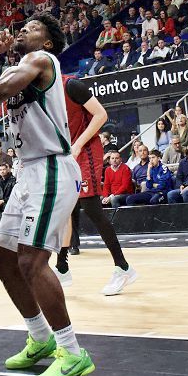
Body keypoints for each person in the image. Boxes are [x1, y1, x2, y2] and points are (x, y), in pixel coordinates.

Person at [0, 16, 95, 376]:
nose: (23, 30)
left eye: (33, 28)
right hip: (27, 172)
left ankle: (72, 353)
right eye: (23, 27)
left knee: (32, 262)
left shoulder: (42, 62)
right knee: (3, 260)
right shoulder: (15, 67)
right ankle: (40, 337)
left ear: (48, 42)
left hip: (52, 168)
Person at [56, 76, 135, 295]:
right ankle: (62, 268)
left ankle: (123, 267)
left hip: (84, 150)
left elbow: (101, 114)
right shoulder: (42, 91)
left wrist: (78, 144)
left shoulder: (71, 85)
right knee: (66, 211)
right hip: (65, 152)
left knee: (91, 208)